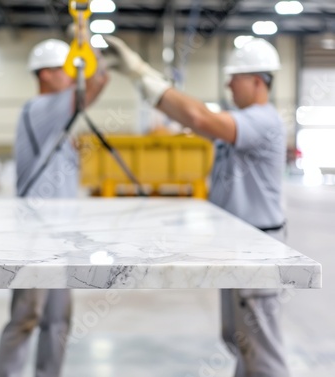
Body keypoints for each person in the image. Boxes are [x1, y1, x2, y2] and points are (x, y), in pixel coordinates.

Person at [105, 35, 289, 377]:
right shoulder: (240, 123)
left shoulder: (263, 121)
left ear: (256, 80)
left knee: (264, 353)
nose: (227, 84)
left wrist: (142, 71)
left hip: (259, 250)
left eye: (233, 78)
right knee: (240, 343)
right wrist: (140, 82)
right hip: (239, 247)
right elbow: (190, 117)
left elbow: (200, 118)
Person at [0, 38, 108, 377]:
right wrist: (89, 46)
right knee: (25, 317)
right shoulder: (39, 109)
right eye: (66, 71)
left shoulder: (58, 122)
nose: (74, 77)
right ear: (45, 74)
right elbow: (97, 83)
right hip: (34, 236)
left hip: (62, 237)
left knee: (58, 320)